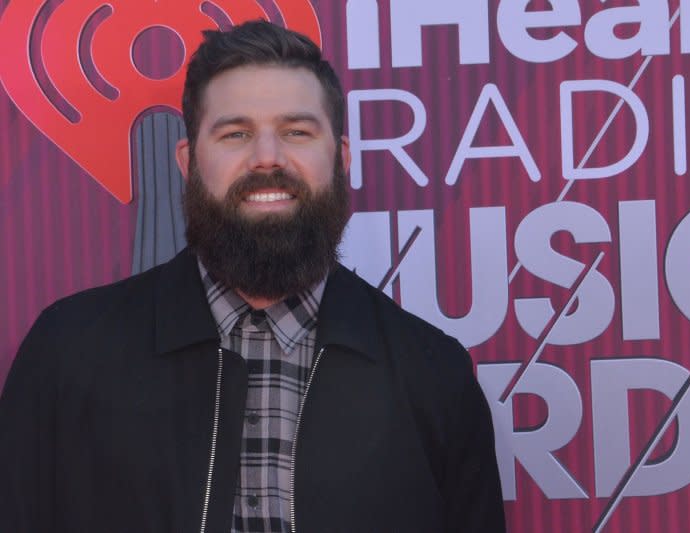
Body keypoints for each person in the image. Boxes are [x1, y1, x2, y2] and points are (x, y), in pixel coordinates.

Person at [0, 20, 505, 533]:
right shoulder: (67, 353)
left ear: (342, 160)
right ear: (188, 161)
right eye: (236, 133)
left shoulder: (434, 374)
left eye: (297, 132)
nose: (267, 158)